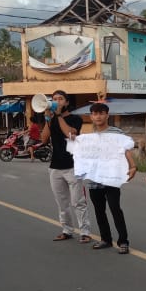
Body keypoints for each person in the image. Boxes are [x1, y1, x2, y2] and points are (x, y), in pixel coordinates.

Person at [82, 102, 136, 254]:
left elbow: (125, 151)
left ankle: (123, 241)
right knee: (99, 210)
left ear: (107, 115)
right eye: (95, 114)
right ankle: (105, 239)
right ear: (91, 117)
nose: (98, 116)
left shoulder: (116, 132)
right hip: (94, 179)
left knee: (114, 208)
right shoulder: (88, 136)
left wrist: (132, 166)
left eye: (101, 113)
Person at [42, 90, 92, 243]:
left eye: (60, 99)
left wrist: (58, 116)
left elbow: (70, 134)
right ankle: (67, 229)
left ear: (67, 102)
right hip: (55, 167)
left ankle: (85, 231)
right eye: (54, 99)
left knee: (78, 201)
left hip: (73, 166)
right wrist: (47, 119)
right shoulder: (52, 119)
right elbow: (43, 139)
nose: (57, 101)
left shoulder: (75, 118)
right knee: (62, 202)